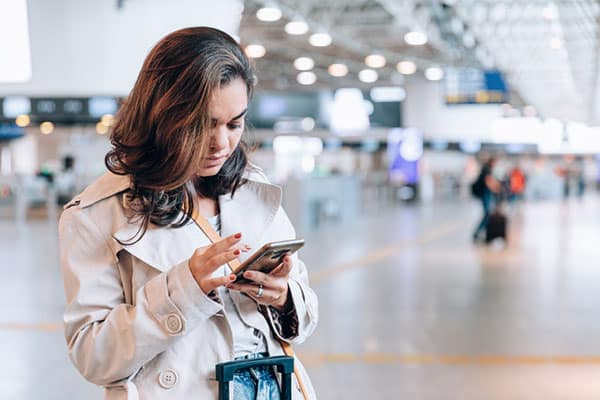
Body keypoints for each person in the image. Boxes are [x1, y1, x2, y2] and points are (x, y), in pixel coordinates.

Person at [58, 27, 318, 400]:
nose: (222, 143)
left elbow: (306, 310)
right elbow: (93, 357)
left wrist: (283, 297)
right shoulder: (97, 215)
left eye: (235, 123)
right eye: (204, 125)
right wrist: (184, 290)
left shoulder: (253, 190)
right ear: (162, 115)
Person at [472, 156, 501, 242]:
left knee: (487, 214)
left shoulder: (486, 169)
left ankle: (481, 233)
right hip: (485, 193)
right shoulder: (487, 169)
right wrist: (496, 188)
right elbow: (488, 182)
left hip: (486, 193)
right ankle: (477, 233)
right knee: (487, 214)